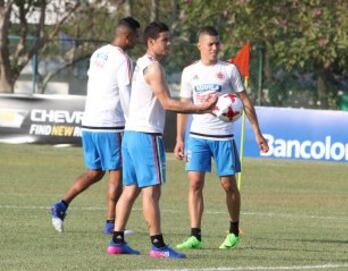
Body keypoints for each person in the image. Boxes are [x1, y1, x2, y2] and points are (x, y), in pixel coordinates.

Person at [106, 22, 217, 258]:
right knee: (151, 193)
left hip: (131, 134)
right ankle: (158, 246)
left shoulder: (141, 64)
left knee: (131, 189)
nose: (169, 43)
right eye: (164, 39)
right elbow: (167, 104)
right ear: (151, 42)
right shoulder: (154, 68)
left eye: (169, 39)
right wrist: (201, 108)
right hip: (146, 136)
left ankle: (117, 241)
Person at [174, 26, 269, 250]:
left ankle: (234, 230)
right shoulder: (189, 72)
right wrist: (179, 138)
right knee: (195, 183)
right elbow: (183, 106)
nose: (215, 48)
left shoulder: (229, 70)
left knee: (228, 185)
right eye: (210, 44)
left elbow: (245, 102)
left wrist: (257, 132)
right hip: (197, 137)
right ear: (200, 46)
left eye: (217, 43)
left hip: (223, 137)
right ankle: (195, 235)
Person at [50, 17, 140, 234]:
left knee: (95, 172)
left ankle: (60, 205)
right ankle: (111, 224)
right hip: (111, 124)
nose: (137, 41)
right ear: (127, 37)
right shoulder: (123, 59)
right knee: (117, 172)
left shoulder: (98, 53)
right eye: (136, 37)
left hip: (90, 122)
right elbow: (126, 94)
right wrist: (133, 121)